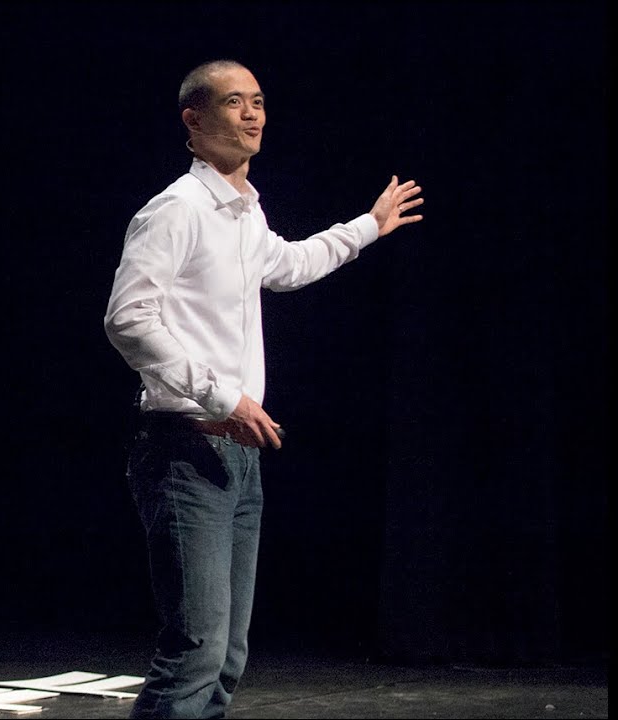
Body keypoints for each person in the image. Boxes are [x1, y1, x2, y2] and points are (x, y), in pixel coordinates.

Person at [103, 59, 423, 719]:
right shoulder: (176, 210)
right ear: (194, 120)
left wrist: (369, 226)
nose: (251, 114)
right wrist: (226, 397)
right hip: (186, 446)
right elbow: (128, 319)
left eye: (258, 101)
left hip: (237, 457)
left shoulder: (243, 213)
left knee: (225, 660)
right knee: (195, 651)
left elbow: (289, 263)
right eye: (233, 102)